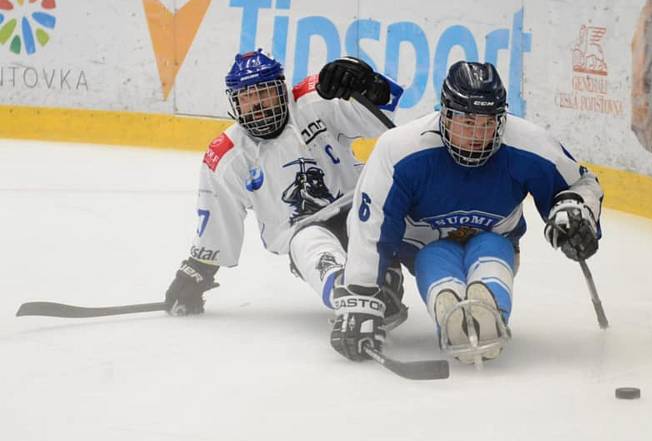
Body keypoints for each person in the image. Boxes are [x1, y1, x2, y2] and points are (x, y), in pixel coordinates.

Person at [330, 61, 604, 365]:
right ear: (444, 114)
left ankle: (490, 312)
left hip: (495, 238)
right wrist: (361, 297)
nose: (478, 134)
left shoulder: (528, 144)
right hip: (423, 248)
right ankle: (450, 314)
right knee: (433, 257)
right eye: (468, 121)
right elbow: (372, 226)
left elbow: (581, 183)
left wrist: (576, 211)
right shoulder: (400, 150)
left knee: (492, 247)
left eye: (488, 123)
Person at [164, 49, 407, 327]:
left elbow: (378, 117)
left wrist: (369, 85)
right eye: (247, 97)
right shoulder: (228, 156)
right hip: (303, 231)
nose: (257, 104)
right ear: (235, 104)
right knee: (308, 245)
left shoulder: (314, 99)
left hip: (357, 207)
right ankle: (347, 296)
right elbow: (218, 219)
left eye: (264, 92)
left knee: (380, 241)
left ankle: (386, 278)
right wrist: (198, 271)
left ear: (282, 89)